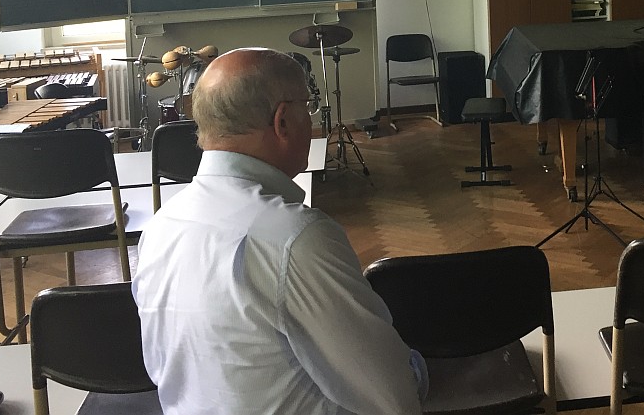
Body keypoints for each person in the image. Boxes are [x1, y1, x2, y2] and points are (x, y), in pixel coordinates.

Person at [133, 47, 426, 415]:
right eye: (308, 106)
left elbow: (162, 369)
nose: (311, 120)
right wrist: (418, 369)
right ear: (283, 121)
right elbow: (393, 397)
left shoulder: (159, 227)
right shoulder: (296, 237)